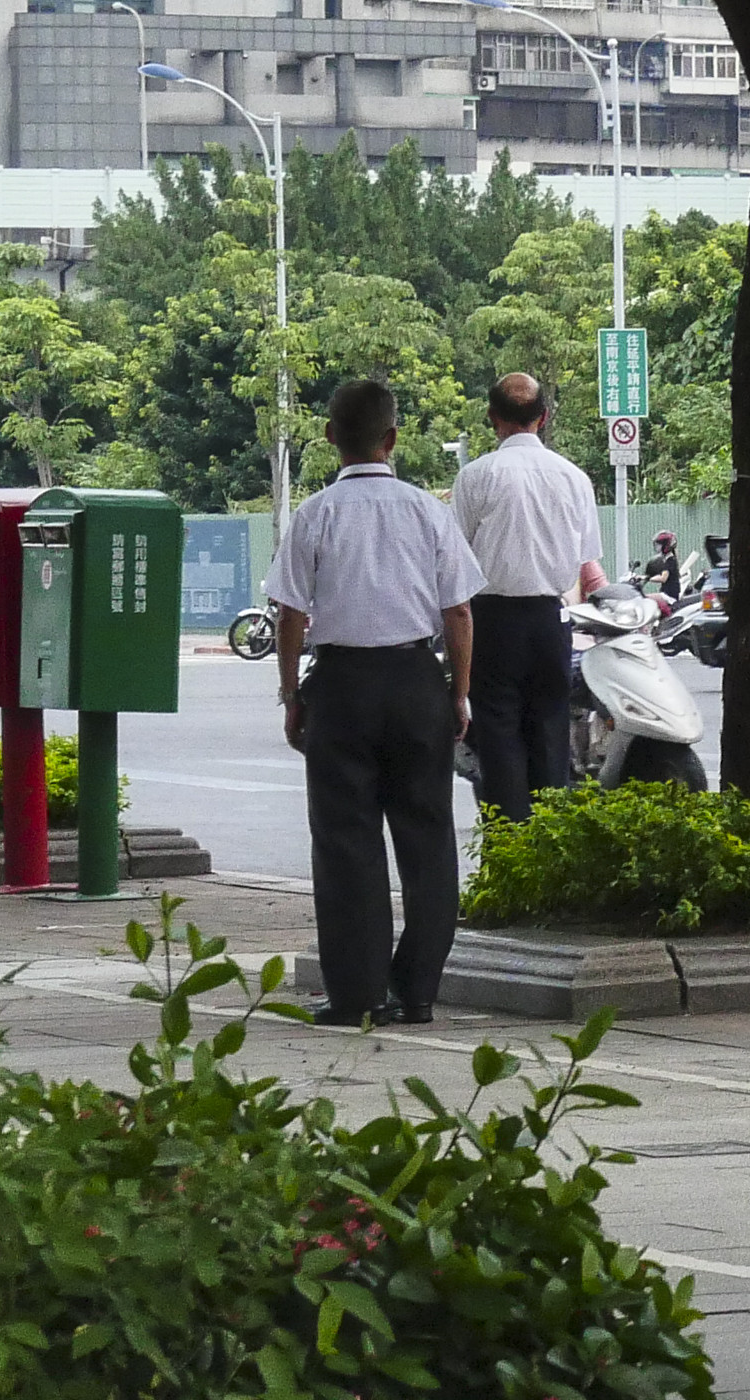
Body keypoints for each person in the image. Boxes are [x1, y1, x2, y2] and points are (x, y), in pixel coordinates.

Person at [270, 379, 485, 1028]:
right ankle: (416, 988)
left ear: (331, 437)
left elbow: (290, 615)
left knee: (345, 841)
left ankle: (359, 993)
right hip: (416, 677)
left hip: (340, 685)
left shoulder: (314, 514)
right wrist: (458, 690)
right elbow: (459, 611)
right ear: (392, 439)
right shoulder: (427, 510)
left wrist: (291, 693)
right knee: (427, 839)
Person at [451, 371, 603, 824]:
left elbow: (457, 559)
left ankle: (507, 853)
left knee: (498, 740)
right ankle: (545, 854)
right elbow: (584, 560)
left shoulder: (474, 478)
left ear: (493, 419)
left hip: (492, 623)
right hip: (550, 621)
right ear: (544, 417)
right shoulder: (573, 478)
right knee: (550, 737)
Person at [645, 529, 683, 600]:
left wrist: (647, 578)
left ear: (666, 545)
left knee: (647, 599)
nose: (657, 547)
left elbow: (663, 578)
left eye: (659, 545)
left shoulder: (670, 560)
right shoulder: (668, 559)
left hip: (670, 596)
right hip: (667, 594)